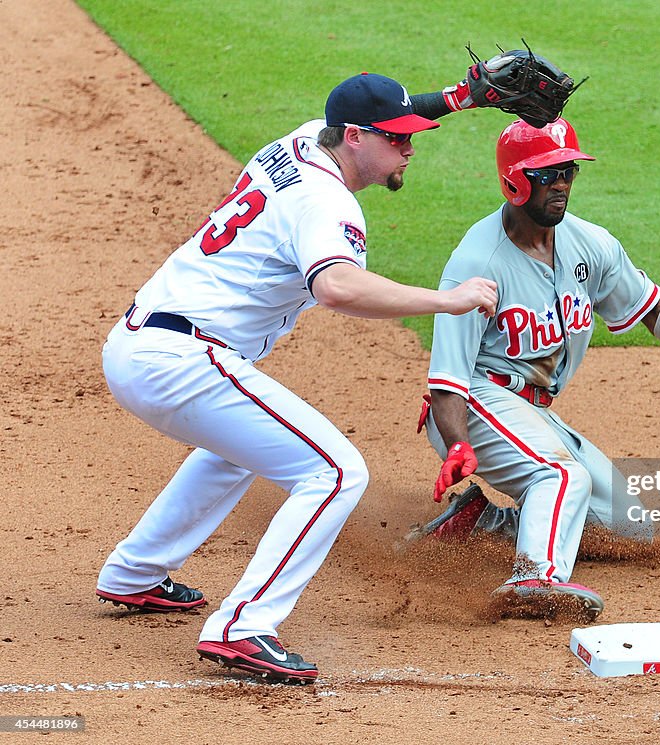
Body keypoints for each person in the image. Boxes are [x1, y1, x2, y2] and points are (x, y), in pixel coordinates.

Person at [94, 70, 510, 685]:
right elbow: (337, 287)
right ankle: (243, 628)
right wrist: (448, 299)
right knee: (337, 471)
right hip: (183, 362)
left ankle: (135, 575)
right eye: (397, 138)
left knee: (241, 451)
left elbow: (370, 113)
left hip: (143, 345)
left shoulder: (302, 140)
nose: (410, 147)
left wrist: (458, 99)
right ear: (354, 138)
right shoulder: (327, 201)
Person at [419, 117, 660, 619]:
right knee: (562, 476)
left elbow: (649, 303)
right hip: (473, 403)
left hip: (532, 413)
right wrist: (456, 443)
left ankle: (484, 523)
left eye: (568, 171)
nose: (561, 183)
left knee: (632, 527)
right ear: (514, 179)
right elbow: (447, 378)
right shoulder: (477, 262)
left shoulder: (589, 244)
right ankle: (535, 577)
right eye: (547, 173)